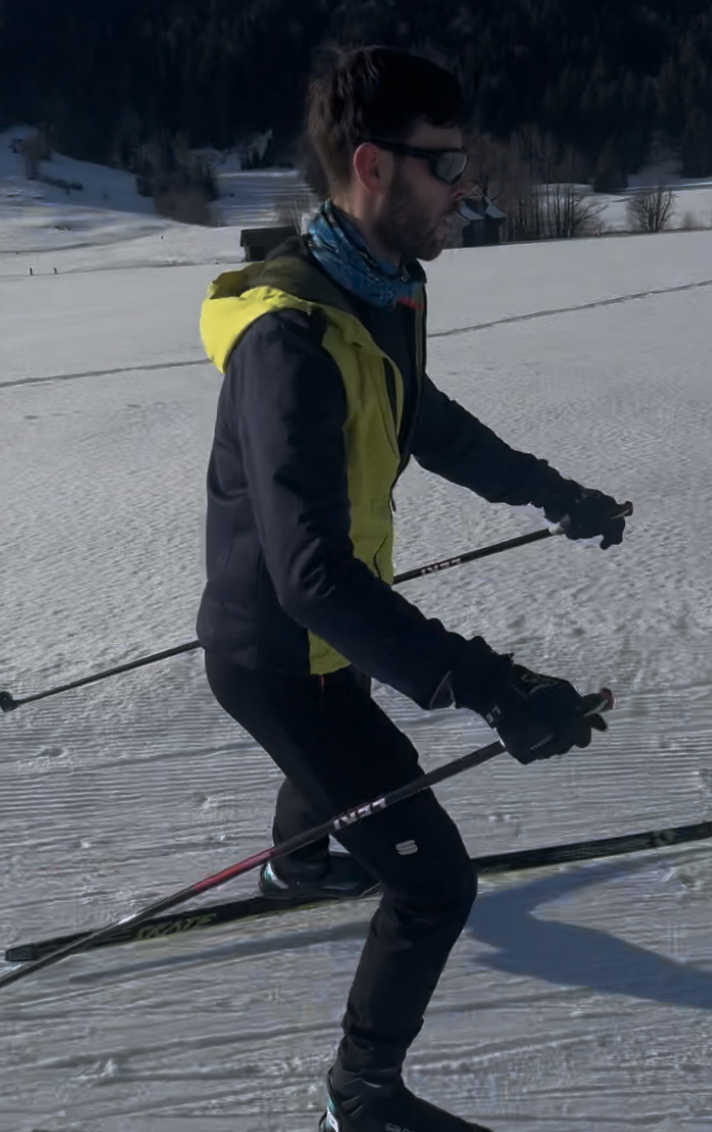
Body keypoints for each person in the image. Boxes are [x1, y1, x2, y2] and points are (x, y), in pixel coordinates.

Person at [196, 46, 630, 1132]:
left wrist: (553, 493)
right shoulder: (287, 340)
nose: (465, 189)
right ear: (372, 166)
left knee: (346, 744)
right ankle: (365, 1091)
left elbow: (423, 420)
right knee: (434, 883)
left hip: (323, 633)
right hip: (280, 651)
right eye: (447, 166)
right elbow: (309, 578)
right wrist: (493, 685)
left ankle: (299, 869)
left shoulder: (379, 291)